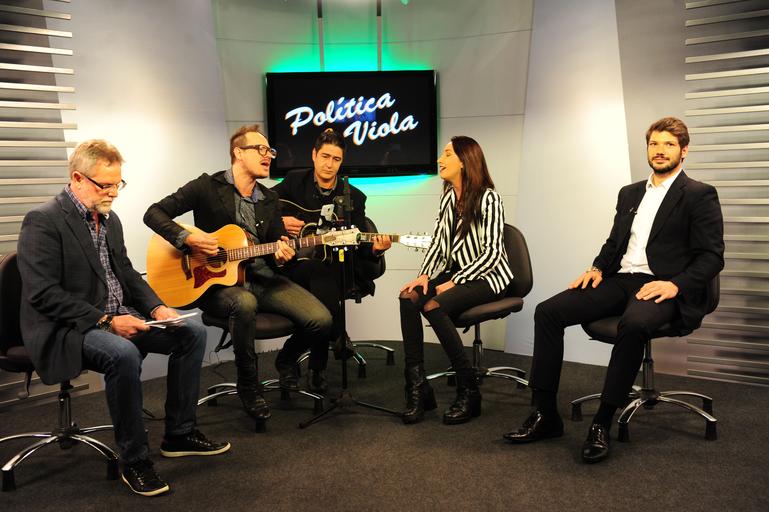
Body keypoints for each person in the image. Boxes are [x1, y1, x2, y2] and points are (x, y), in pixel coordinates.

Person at [503, 117, 724, 463]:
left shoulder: (699, 194)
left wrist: (675, 284)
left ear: (683, 151)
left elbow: (712, 257)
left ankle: (602, 422)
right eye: (654, 144)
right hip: (621, 280)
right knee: (548, 312)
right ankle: (545, 414)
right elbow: (614, 243)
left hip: (664, 285)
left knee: (633, 324)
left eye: (669, 144)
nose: (660, 150)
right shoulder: (630, 193)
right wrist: (595, 269)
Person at [17, 140, 230, 497]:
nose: (114, 193)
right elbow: (43, 294)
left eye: (119, 184)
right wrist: (106, 321)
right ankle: (134, 460)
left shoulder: (109, 219)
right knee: (123, 354)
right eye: (106, 185)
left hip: (116, 314)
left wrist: (157, 308)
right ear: (77, 178)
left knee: (191, 333)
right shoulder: (43, 220)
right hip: (69, 326)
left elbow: (127, 273)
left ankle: (179, 434)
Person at [143, 125, 332, 420]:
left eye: (270, 151)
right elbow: (153, 213)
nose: (268, 156)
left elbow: (278, 249)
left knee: (321, 320)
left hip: (263, 278)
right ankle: (248, 384)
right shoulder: (206, 186)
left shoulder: (269, 199)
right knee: (244, 302)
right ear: (238, 153)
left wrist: (284, 255)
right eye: (261, 149)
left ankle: (286, 361)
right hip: (214, 284)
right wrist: (188, 239)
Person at [398, 135, 513, 425]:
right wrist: (424, 275)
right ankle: (418, 387)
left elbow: (492, 253)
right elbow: (438, 242)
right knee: (409, 298)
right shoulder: (449, 196)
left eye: (447, 154)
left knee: (433, 306)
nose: (440, 159)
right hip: (458, 273)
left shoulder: (489, 198)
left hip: (488, 276)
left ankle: (469, 390)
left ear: (464, 161)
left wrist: (457, 280)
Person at [272, 128, 392, 393]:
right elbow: (262, 208)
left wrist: (376, 250)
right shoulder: (294, 181)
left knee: (324, 289)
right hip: (297, 266)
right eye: (325, 156)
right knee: (318, 274)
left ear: (341, 161)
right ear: (314, 155)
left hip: (339, 268)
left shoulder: (354, 197)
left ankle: (296, 359)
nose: (329, 164)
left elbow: (360, 244)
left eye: (336, 159)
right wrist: (280, 221)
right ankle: (333, 342)